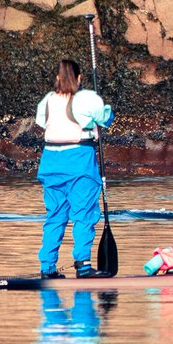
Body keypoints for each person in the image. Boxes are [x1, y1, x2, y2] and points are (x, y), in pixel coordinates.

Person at [35, 59, 114, 278]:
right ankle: (83, 266)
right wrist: (104, 108)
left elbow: (42, 122)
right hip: (78, 161)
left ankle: (47, 267)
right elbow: (106, 119)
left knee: (55, 215)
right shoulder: (87, 98)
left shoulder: (47, 101)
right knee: (84, 214)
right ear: (79, 78)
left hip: (50, 162)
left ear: (58, 78)